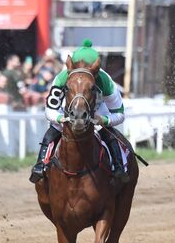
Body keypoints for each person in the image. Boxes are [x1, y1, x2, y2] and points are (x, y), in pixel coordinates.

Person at [29, 39, 129, 185]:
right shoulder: (62, 77)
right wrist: (60, 118)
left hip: (98, 109)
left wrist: (104, 120)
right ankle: (40, 165)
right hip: (69, 109)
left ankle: (119, 168)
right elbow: (50, 110)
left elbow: (120, 114)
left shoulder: (105, 81)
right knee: (53, 131)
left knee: (108, 132)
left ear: (96, 71)